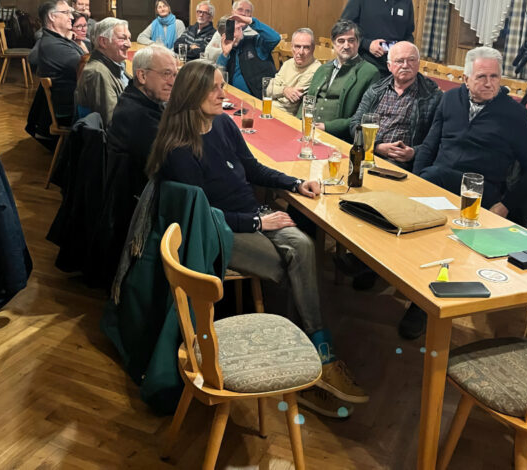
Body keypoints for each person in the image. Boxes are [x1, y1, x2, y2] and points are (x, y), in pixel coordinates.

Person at [146, 60, 369, 417]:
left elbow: (252, 168)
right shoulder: (179, 149)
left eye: (222, 85)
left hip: (252, 217)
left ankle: (319, 352)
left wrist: (294, 183)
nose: (222, 93)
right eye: (214, 88)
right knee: (295, 264)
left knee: (303, 247)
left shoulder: (222, 124)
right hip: (219, 232)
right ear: (191, 93)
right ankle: (309, 372)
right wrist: (256, 223)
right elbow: (203, 216)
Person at [403, 47, 527, 339]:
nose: (489, 83)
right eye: (481, 77)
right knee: (410, 221)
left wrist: (506, 204)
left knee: (444, 238)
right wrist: (415, 182)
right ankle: (380, 269)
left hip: (481, 193)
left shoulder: (515, 114)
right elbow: (430, 145)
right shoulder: (450, 99)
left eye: (494, 77)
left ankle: (423, 304)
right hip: (437, 182)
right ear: (465, 78)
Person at [89, 45, 178, 290]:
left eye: (175, 74)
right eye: (166, 74)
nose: (172, 81)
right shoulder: (136, 115)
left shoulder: (141, 102)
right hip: (137, 207)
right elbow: (173, 163)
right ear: (141, 75)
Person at [350, 41, 442, 170]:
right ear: (389, 66)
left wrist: (414, 152)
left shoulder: (432, 96)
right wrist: (376, 146)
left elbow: (439, 139)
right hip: (368, 152)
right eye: (399, 61)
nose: (405, 65)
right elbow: (355, 123)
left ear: (418, 64)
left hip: (400, 162)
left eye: (411, 60)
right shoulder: (376, 90)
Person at [299, 20, 380, 141]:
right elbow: (307, 101)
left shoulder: (370, 72)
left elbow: (365, 117)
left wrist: (327, 127)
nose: (346, 46)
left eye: (351, 40)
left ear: (358, 42)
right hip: (308, 130)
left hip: (338, 137)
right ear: (333, 43)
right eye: (341, 41)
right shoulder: (322, 69)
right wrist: (298, 122)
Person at [341, 0, 415, 75]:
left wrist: (404, 49)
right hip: (363, 65)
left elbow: (409, 34)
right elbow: (343, 29)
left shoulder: (407, 2)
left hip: (394, 69)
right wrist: (367, 44)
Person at [28, 0, 85, 126]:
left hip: (76, 102)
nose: (71, 17)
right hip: (71, 111)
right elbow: (89, 69)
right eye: (66, 13)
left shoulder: (58, 40)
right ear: (52, 16)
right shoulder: (53, 46)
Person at [74, 17, 132, 126]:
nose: (129, 44)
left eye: (129, 38)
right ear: (103, 42)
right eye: (122, 38)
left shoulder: (116, 65)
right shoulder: (97, 73)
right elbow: (111, 123)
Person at [216, 11, 280, 97]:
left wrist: (251, 21)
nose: (233, 36)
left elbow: (275, 38)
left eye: (234, 30)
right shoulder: (227, 53)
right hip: (235, 98)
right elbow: (218, 75)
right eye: (229, 33)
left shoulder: (255, 43)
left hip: (259, 98)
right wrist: (225, 54)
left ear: (240, 28)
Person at [268, 28, 321, 115]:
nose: (301, 52)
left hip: (286, 116)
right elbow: (268, 90)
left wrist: (278, 90)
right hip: (269, 108)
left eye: (306, 47)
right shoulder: (288, 63)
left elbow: (289, 103)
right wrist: (284, 90)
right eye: (297, 46)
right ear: (291, 47)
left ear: (313, 48)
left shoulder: (315, 69)